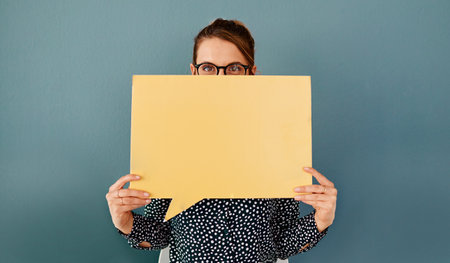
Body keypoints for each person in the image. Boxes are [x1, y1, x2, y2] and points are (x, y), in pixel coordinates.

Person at [106, 18, 338, 262]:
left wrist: (321, 220)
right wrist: (125, 222)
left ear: (252, 72)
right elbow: (160, 236)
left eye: (234, 68)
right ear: (194, 71)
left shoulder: (279, 139)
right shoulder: (169, 137)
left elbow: (281, 243)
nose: (221, 78)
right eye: (208, 67)